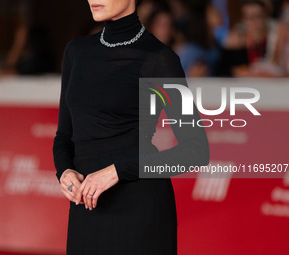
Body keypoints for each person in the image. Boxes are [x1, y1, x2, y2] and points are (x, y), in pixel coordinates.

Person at [52, 0, 210, 254]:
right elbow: (64, 136)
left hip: (139, 210)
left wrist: (116, 171)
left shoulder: (158, 58)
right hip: (87, 209)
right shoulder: (76, 51)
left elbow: (196, 150)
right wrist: (64, 171)